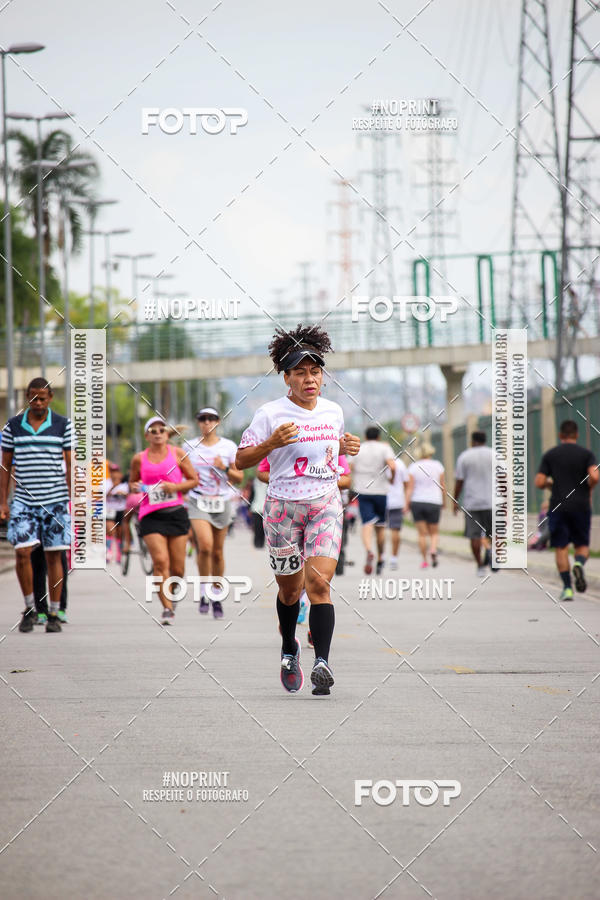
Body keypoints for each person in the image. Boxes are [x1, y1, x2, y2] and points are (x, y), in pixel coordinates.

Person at [235, 324, 360, 696]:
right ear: (286, 377)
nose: (310, 378)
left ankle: (322, 661)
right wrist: (271, 443)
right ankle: (289, 647)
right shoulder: (269, 414)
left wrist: (346, 448)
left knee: (319, 584)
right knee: (290, 592)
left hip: (324, 505)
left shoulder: (334, 411)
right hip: (282, 510)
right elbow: (242, 460)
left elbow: (332, 458)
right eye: (300, 372)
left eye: (315, 371)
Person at [0, 378, 72, 634]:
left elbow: (71, 464)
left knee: (54, 555)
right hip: (24, 501)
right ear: (27, 398)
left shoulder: (63, 425)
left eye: (42, 398)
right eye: (33, 398)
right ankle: (30, 608)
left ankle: (53, 612)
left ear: (50, 397)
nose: (38, 402)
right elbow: (5, 465)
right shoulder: (13, 426)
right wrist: (3, 502)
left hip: (55, 500)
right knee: (22, 552)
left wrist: (71, 497)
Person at [129, 416, 198, 624]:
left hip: (176, 512)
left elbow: (194, 480)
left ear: (167, 434)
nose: (158, 433)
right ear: (146, 436)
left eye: (161, 430)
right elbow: (132, 481)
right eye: (153, 430)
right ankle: (167, 609)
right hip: (150, 515)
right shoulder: (139, 458)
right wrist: (134, 487)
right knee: (160, 562)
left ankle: (172, 591)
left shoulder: (177, 453)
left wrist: (174, 488)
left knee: (178, 569)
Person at [184, 407, 243, 618]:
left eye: (211, 419)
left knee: (218, 551)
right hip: (198, 500)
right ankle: (203, 591)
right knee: (205, 546)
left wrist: (224, 468)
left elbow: (239, 477)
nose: (207, 422)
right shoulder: (189, 446)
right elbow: (182, 474)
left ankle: (216, 595)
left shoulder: (228, 446)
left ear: (218, 422)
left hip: (222, 501)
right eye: (202, 419)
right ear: (198, 422)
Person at [534, 420, 598, 601]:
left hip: (558, 507)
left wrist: (550, 485)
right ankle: (579, 563)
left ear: (560, 435)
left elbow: (539, 482)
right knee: (582, 545)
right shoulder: (586, 454)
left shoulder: (551, 455)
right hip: (581, 506)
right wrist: (589, 487)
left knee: (561, 547)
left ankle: (568, 588)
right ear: (576, 435)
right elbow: (594, 475)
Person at [350, 427, 395, 575]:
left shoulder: (359, 449)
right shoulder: (384, 448)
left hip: (363, 490)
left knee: (367, 524)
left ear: (365, 436)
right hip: (381, 491)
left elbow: (350, 469)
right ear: (379, 436)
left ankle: (369, 550)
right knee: (381, 526)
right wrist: (391, 478)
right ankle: (381, 558)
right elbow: (392, 466)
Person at [453, 431, 495, 576]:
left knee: (474, 535)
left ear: (472, 441)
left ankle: (480, 566)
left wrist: (455, 500)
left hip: (472, 503)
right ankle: (492, 551)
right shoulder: (494, 455)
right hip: (492, 501)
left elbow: (459, 481)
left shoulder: (464, 457)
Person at [404, 442, 445, 568]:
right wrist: (443, 502)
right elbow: (442, 486)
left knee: (421, 534)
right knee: (434, 532)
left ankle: (424, 560)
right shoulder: (438, 466)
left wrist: (406, 504)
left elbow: (410, 488)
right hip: (434, 501)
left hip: (418, 502)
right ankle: (433, 549)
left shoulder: (413, 467)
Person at [387, 454, 409, 571]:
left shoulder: (381, 462)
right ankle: (393, 559)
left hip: (382, 499)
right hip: (397, 501)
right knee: (395, 530)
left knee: (378, 529)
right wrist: (406, 502)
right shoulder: (401, 463)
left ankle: (379, 557)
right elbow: (407, 484)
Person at [105, 463, 129, 564]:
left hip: (121, 510)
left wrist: (123, 494)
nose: (114, 474)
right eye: (112, 472)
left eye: (116, 472)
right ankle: (109, 552)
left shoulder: (124, 484)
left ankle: (119, 553)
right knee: (110, 531)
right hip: (110, 510)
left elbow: (129, 496)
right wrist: (112, 488)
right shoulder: (105, 483)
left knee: (119, 533)